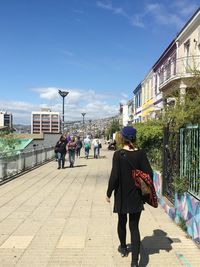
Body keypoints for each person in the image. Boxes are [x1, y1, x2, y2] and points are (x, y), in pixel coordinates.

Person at [106, 126, 153, 267]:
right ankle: (134, 263)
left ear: (123, 138)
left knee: (121, 222)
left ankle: (123, 247)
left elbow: (114, 176)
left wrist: (108, 192)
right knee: (134, 227)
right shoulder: (141, 154)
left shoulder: (118, 154)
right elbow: (149, 173)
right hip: (136, 195)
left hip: (121, 194)